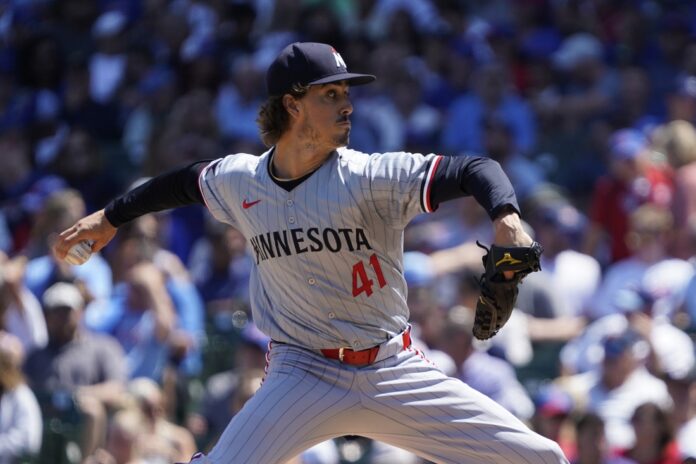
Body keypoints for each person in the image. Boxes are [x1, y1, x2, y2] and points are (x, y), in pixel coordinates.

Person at [54, 42, 568, 464]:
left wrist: (507, 219)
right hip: (302, 373)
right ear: (293, 105)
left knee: (541, 459)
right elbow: (181, 183)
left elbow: (476, 169)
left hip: (391, 367)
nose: (347, 104)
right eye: (331, 94)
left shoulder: (369, 176)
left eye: (346, 93)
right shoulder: (241, 179)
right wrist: (111, 217)